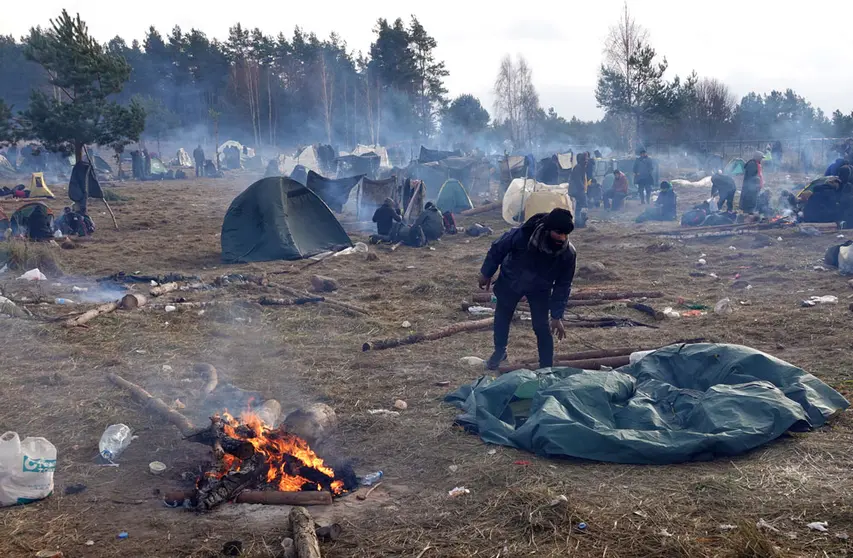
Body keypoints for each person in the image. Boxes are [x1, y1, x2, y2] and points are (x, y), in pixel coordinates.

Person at [478, 208, 577, 370]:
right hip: (511, 279)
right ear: (548, 229)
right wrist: (486, 272)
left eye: (566, 234)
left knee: (541, 326)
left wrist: (557, 316)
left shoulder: (567, 254)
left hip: (540, 288)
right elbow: (498, 248)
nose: (562, 238)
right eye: (558, 233)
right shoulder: (523, 235)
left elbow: (563, 285)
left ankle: (546, 366)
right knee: (503, 316)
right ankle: (500, 352)